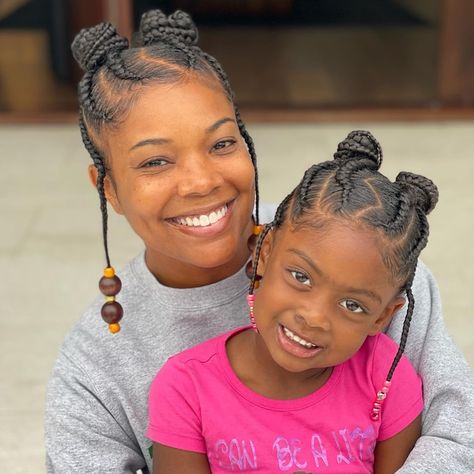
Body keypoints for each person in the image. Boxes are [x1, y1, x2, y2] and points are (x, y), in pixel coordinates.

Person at [45, 8, 474, 474]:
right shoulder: (93, 364)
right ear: (108, 188)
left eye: (222, 144)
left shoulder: (367, 257)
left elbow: (456, 425)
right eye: (155, 162)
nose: (199, 181)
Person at [146, 130, 429, 473]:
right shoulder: (186, 387)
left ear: (382, 316)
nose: (313, 317)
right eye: (301, 277)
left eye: (352, 305)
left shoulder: (385, 377)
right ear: (264, 253)